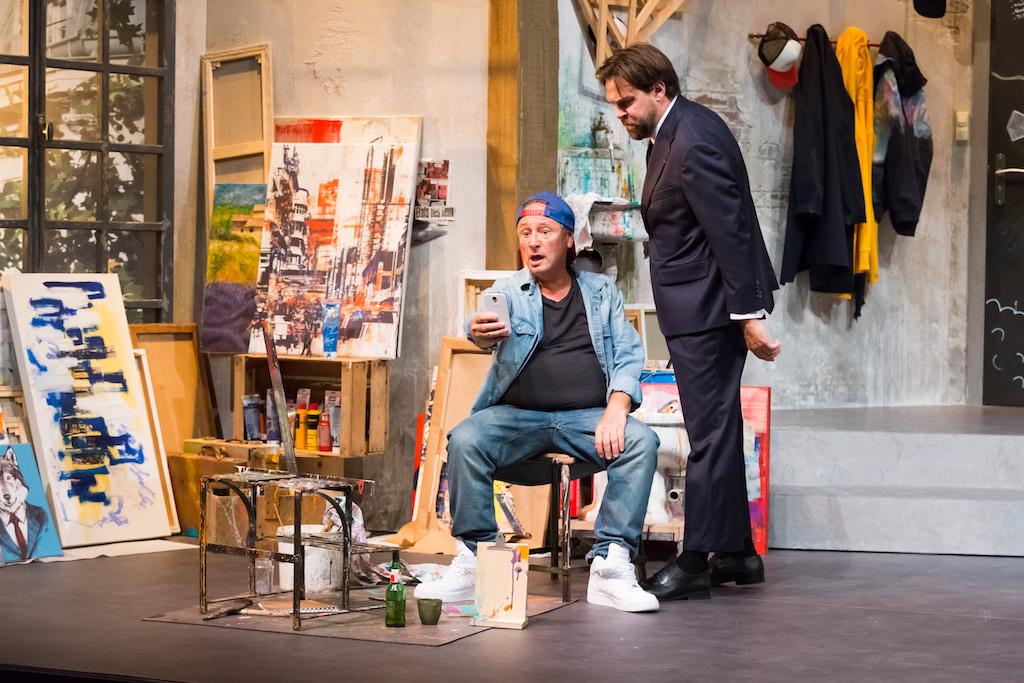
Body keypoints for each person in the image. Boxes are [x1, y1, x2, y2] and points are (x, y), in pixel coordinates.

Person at [414, 192, 661, 612]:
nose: (533, 241)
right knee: (466, 439)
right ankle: (475, 560)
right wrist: (477, 331)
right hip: (518, 417)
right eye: (525, 232)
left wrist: (617, 408)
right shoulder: (509, 290)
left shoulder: (601, 292)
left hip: (586, 418)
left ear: (568, 240)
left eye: (544, 232)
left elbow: (627, 354)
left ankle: (610, 566)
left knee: (641, 441)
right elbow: (477, 326)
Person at [597, 43, 781, 600]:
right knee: (717, 431)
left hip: (708, 312)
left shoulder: (693, 138)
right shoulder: (674, 132)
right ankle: (738, 554)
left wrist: (748, 315)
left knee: (709, 436)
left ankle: (697, 558)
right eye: (614, 105)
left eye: (626, 102)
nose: (620, 114)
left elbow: (731, 231)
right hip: (698, 307)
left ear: (659, 89)